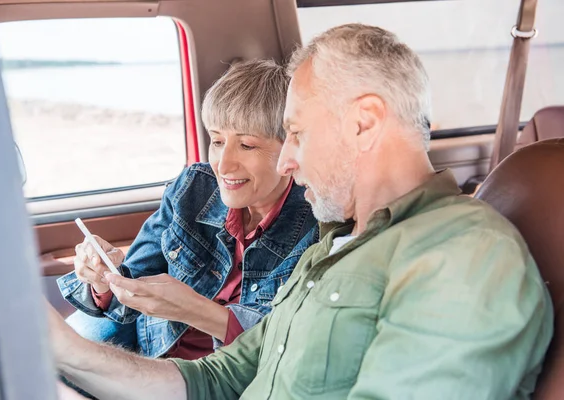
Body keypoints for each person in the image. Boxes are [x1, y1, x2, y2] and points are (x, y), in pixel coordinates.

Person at [48, 24, 553, 399]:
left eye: (297, 133)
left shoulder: (461, 255)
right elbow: (215, 380)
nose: (287, 160)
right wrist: (63, 350)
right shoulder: (334, 248)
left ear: (364, 123)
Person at [57, 59, 318, 360]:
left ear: (290, 146)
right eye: (217, 141)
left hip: (228, 374)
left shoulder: (316, 223)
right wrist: (105, 279)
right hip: (152, 344)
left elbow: (286, 344)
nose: (223, 164)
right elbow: (134, 278)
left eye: (247, 146)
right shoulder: (194, 187)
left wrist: (195, 310)